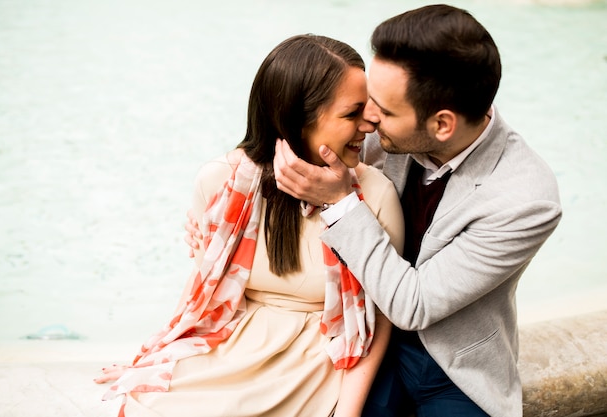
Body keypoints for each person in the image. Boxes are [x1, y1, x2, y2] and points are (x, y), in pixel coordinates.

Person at [266, 5, 564, 417]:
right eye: (368, 99)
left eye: (384, 110)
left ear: (442, 125)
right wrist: (228, 200)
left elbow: (414, 304)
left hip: (455, 369)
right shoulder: (387, 133)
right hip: (366, 339)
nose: (367, 120)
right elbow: (301, 150)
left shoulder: (526, 201)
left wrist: (340, 203)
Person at [96, 34, 405, 417]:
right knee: (146, 404)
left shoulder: (373, 195)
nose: (368, 126)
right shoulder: (222, 182)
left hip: (320, 354)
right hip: (236, 338)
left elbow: (376, 324)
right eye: (351, 114)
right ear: (298, 118)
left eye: (367, 110)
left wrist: (348, 411)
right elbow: (202, 293)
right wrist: (159, 353)